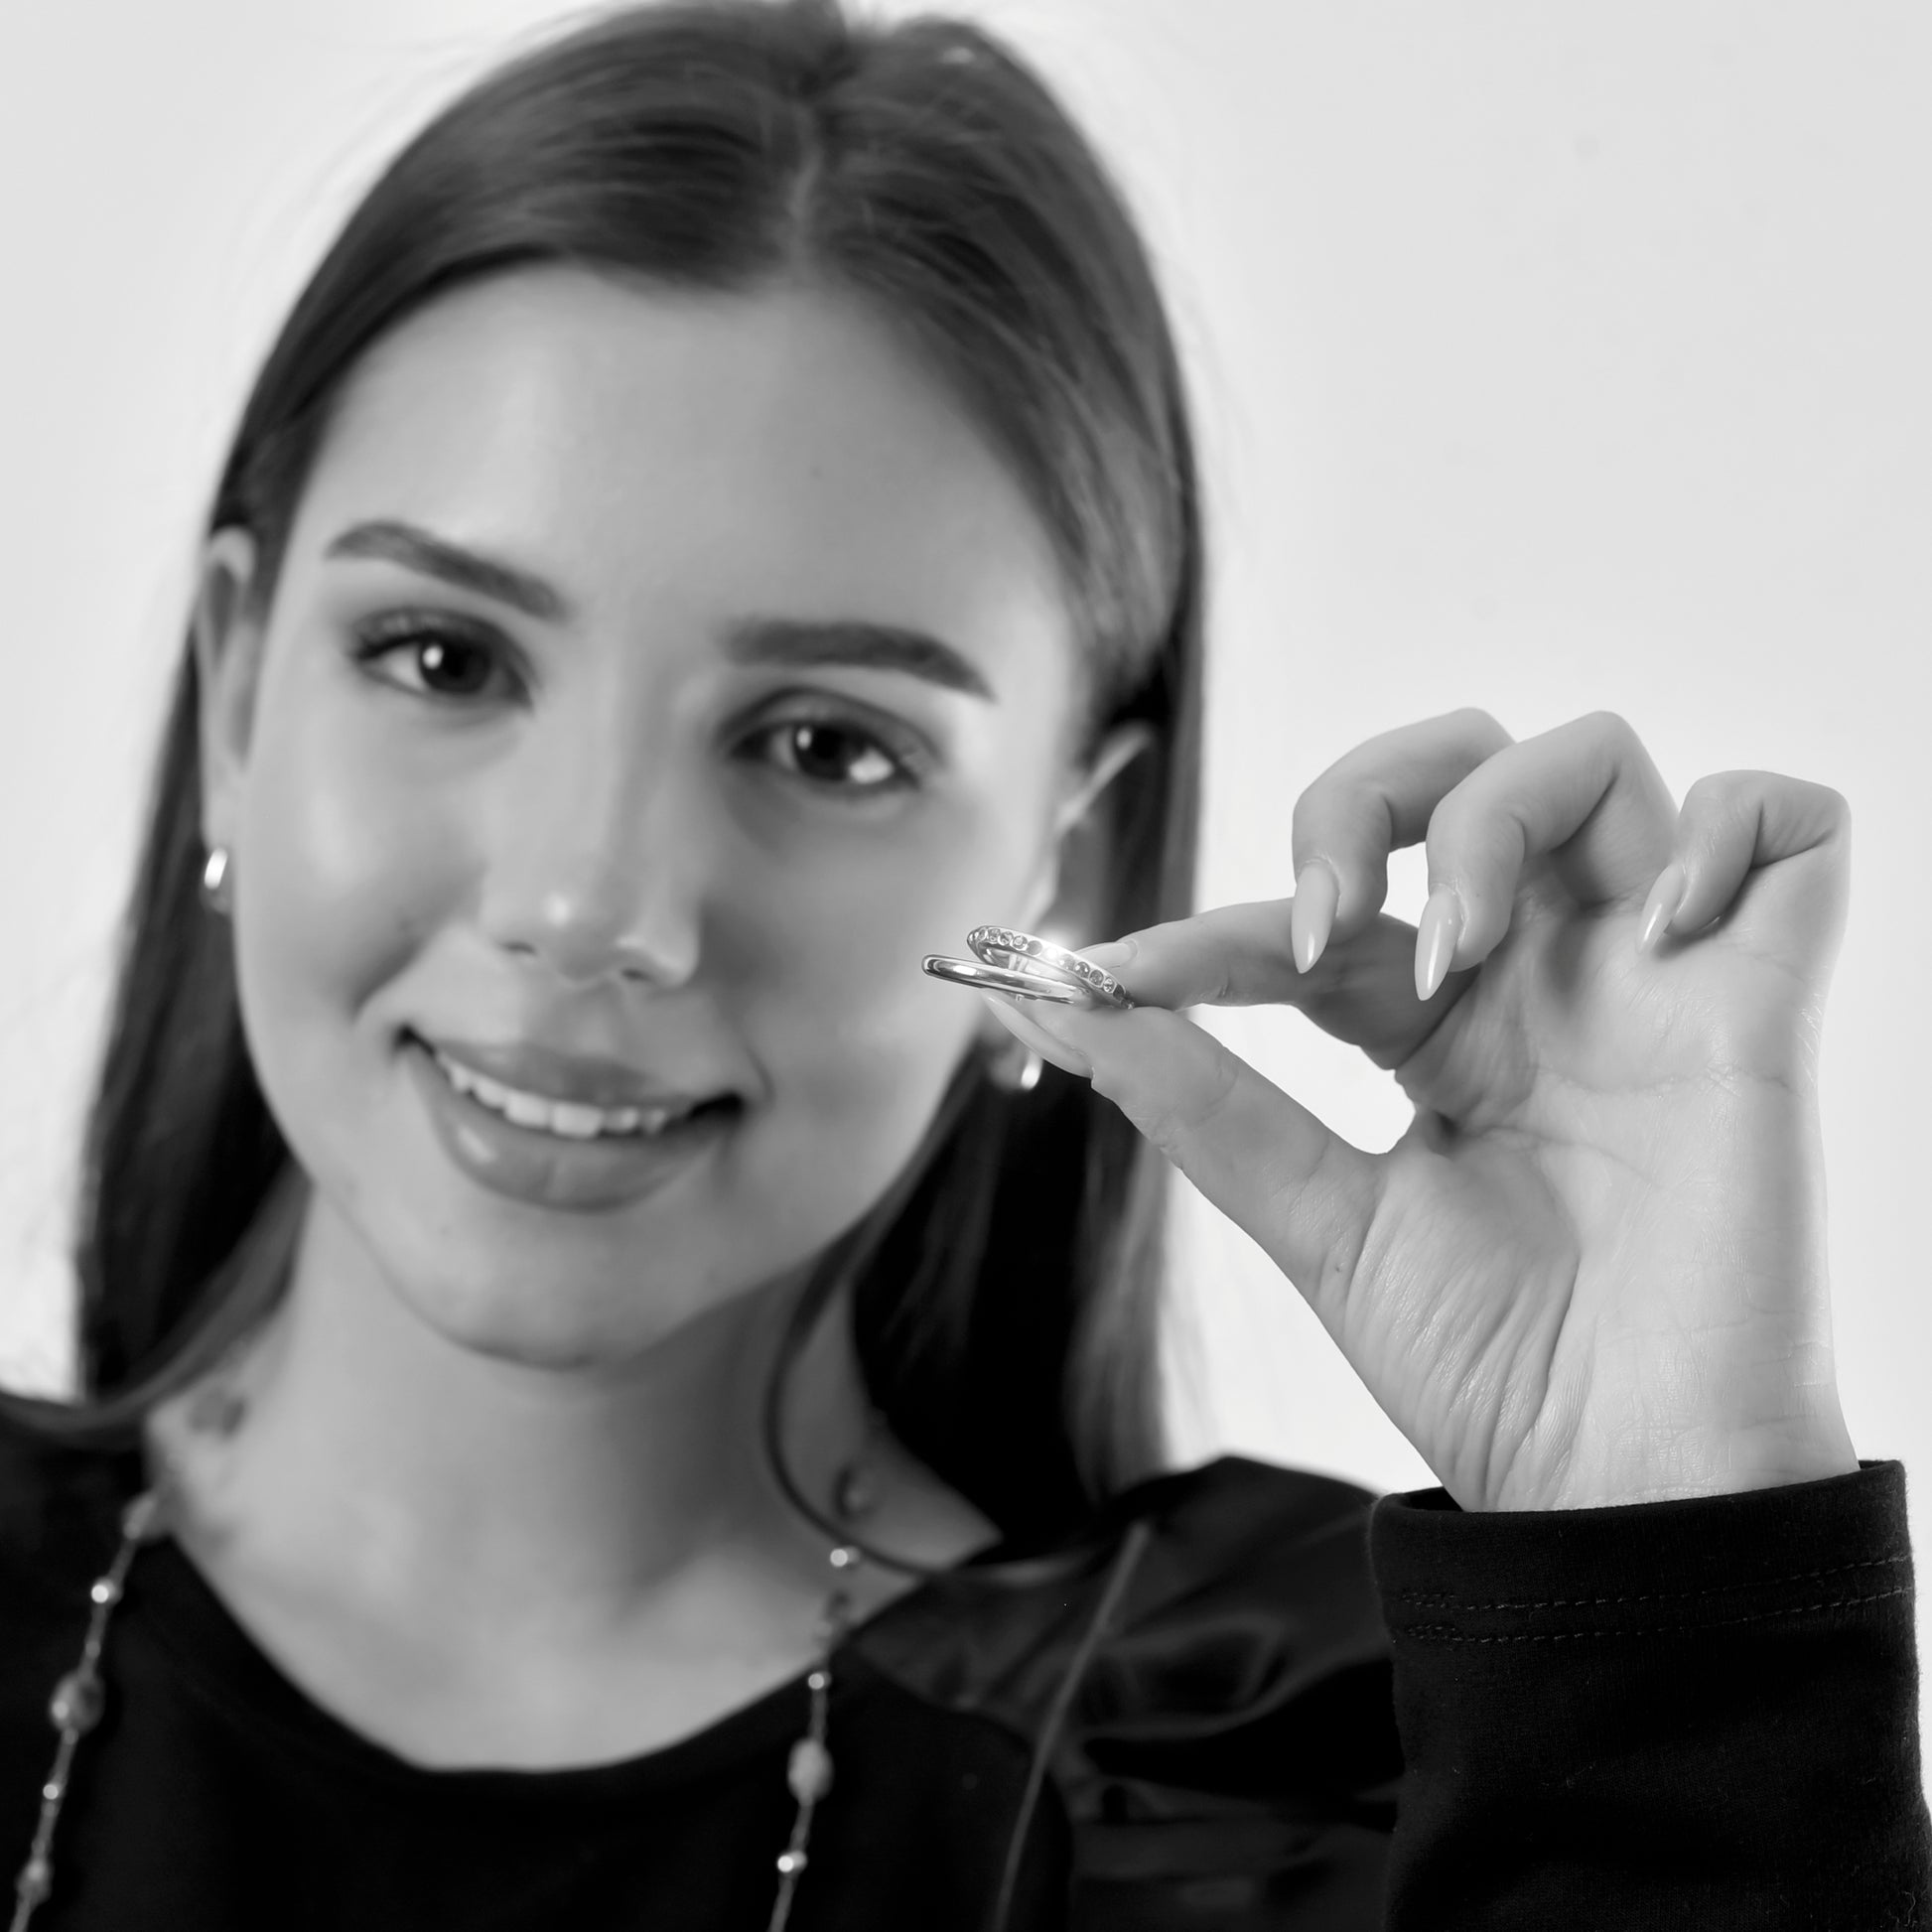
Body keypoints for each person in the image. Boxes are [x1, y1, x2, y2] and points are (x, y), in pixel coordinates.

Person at [0, 2, 1924, 1926]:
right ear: (240, 678)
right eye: (443, 657)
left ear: (1067, 844)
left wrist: (1672, 1536)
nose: (591, 902)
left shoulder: (1320, 1777)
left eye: (829, 743)